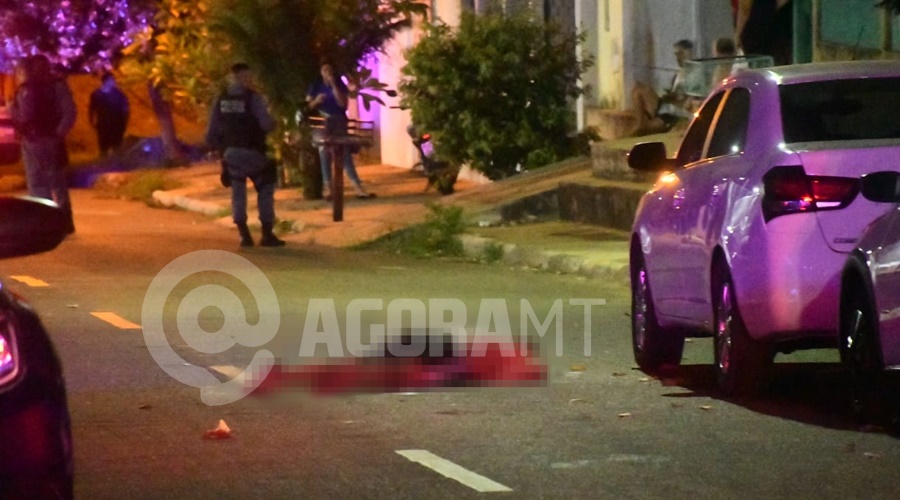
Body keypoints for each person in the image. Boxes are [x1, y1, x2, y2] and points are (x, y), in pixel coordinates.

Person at [205, 62, 285, 247]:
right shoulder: (253, 98)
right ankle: (267, 233)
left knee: (238, 190)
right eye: (248, 76)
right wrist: (275, 122)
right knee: (266, 183)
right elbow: (266, 124)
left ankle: (244, 235)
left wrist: (222, 153)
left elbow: (210, 133)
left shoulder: (221, 99)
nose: (250, 80)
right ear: (243, 76)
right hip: (253, 151)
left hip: (230, 154)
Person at [9, 54, 77, 233]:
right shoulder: (58, 85)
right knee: (58, 183)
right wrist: (58, 134)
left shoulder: (27, 89)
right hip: (53, 140)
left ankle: (45, 225)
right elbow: (70, 112)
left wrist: (11, 108)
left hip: (34, 140)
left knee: (38, 182)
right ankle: (65, 224)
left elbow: (25, 117)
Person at [306, 61, 372, 200]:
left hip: (338, 121)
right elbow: (308, 107)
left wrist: (334, 85)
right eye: (325, 70)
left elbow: (343, 104)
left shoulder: (339, 84)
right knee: (324, 151)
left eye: (330, 70)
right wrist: (317, 101)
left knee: (344, 153)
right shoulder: (315, 86)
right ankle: (328, 188)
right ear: (321, 72)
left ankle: (357, 187)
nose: (328, 73)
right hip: (322, 122)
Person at [631, 39, 695, 135]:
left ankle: (643, 125)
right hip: (668, 106)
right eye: (676, 55)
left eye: (680, 54)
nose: (678, 58)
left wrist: (676, 97)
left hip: (676, 112)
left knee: (641, 91)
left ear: (687, 53)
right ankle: (641, 123)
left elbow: (691, 97)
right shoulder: (679, 73)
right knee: (637, 88)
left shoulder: (694, 73)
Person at [89, 71, 130, 157]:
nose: (114, 82)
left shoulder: (118, 94)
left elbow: (125, 108)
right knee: (103, 145)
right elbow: (92, 108)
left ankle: (117, 162)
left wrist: (125, 121)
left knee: (116, 144)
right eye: (111, 80)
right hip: (103, 123)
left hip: (117, 123)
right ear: (106, 81)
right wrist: (91, 120)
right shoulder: (96, 94)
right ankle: (104, 163)